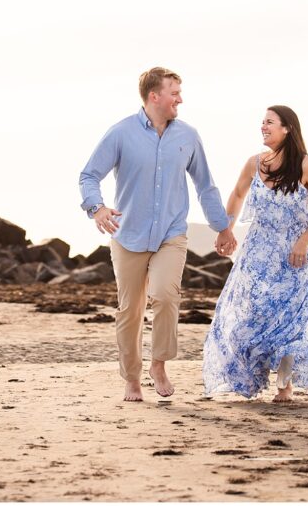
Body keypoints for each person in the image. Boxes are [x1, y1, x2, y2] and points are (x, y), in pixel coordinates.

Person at [79, 67, 237, 402]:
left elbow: (205, 185)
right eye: (174, 92)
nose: (180, 98)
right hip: (128, 235)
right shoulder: (121, 133)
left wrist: (222, 227)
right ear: (155, 96)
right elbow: (89, 175)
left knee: (166, 295)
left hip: (171, 233)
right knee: (130, 310)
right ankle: (132, 379)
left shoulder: (188, 136)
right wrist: (98, 208)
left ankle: (159, 363)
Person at [202, 105, 308, 402]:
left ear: (287, 128)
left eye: (270, 123)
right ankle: (251, 376)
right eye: (262, 122)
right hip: (257, 253)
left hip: (294, 257)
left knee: (289, 319)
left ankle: (284, 385)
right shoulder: (254, 164)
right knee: (248, 313)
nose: (263, 127)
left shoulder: (306, 166)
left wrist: (304, 241)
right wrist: (227, 229)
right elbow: (238, 194)